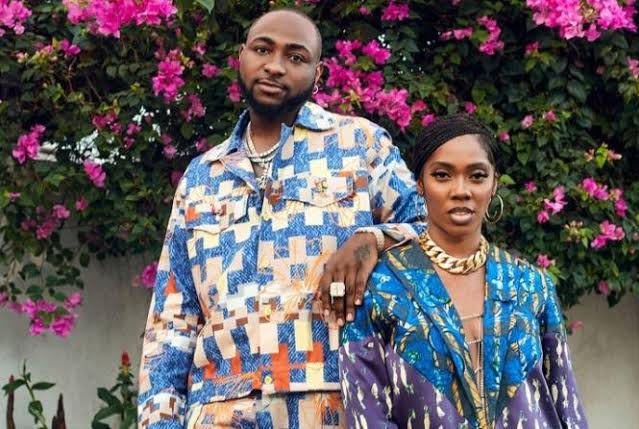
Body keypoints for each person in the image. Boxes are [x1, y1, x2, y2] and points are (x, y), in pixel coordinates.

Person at [137, 8, 424, 428]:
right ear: (241, 56)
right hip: (217, 409)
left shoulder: (360, 145)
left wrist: (372, 240)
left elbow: (431, 235)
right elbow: (171, 320)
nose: (274, 66)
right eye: (262, 49)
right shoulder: (202, 175)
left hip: (330, 405)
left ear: (317, 73)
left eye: (295, 56)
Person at [340, 115, 588, 429]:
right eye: (442, 175)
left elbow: (567, 404)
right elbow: (366, 415)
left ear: (494, 184)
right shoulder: (382, 289)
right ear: (420, 184)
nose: (461, 190)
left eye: (477, 176)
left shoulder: (530, 285)